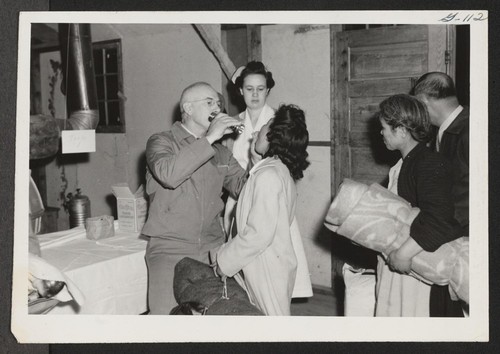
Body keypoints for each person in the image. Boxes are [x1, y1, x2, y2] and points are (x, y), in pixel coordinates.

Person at [142, 82, 248, 314]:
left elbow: (245, 188)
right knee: (166, 324)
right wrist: (209, 139)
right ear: (188, 108)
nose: (217, 108)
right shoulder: (162, 141)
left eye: (218, 104)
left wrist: (263, 159)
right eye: (209, 102)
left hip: (213, 250)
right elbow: (169, 175)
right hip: (169, 249)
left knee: (221, 318)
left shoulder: (222, 152)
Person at [214, 104, 313, 316]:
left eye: (264, 128)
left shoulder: (268, 176)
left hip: (266, 269)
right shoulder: (275, 171)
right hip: (265, 265)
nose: (256, 133)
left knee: (271, 328)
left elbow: (258, 235)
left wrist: (224, 262)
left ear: (273, 137)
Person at [376, 94, 462, 317]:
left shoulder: (428, 163)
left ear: (402, 131)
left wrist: (403, 254)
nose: (381, 132)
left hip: (417, 266)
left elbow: (440, 219)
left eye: (384, 127)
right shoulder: (402, 164)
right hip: (400, 264)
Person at [413, 72, 469, 317]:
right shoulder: (444, 132)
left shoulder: (470, 130)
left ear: (424, 102)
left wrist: (431, 231)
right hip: (447, 236)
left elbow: (468, 198)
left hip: (461, 238)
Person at [223, 61, 276, 235]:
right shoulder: (231, 124)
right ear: (240, 90)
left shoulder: (278, 121)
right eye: (249, 89)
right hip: (237, 195)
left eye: (260, 89)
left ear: (267, 91)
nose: (255, 94)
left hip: (269, 195)